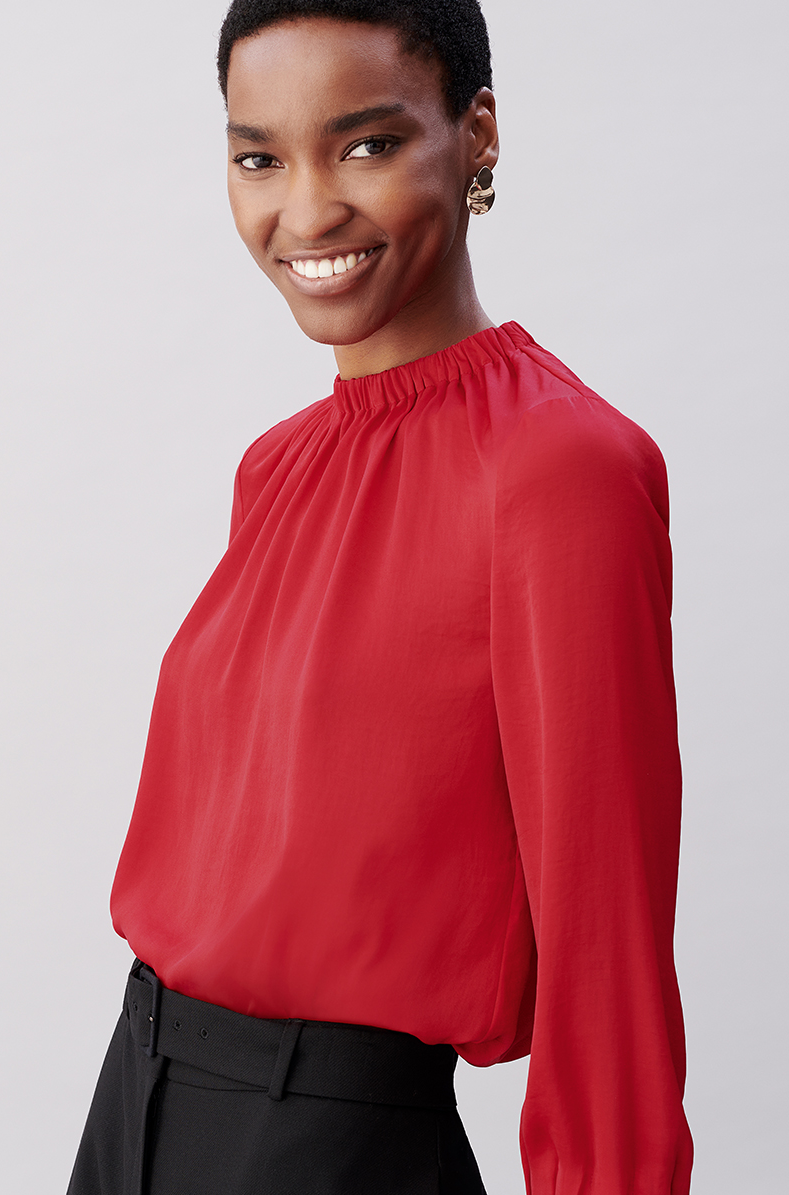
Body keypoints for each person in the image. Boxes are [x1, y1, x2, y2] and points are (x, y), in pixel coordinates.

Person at [67, 1, 693, 1192]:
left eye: (365, 144)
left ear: (477, 136)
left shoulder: (559, 470)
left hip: (329, 1148)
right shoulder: (276, 465)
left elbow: (602, 941)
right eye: (259, 156)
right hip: (132, 1102)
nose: (304, 212)